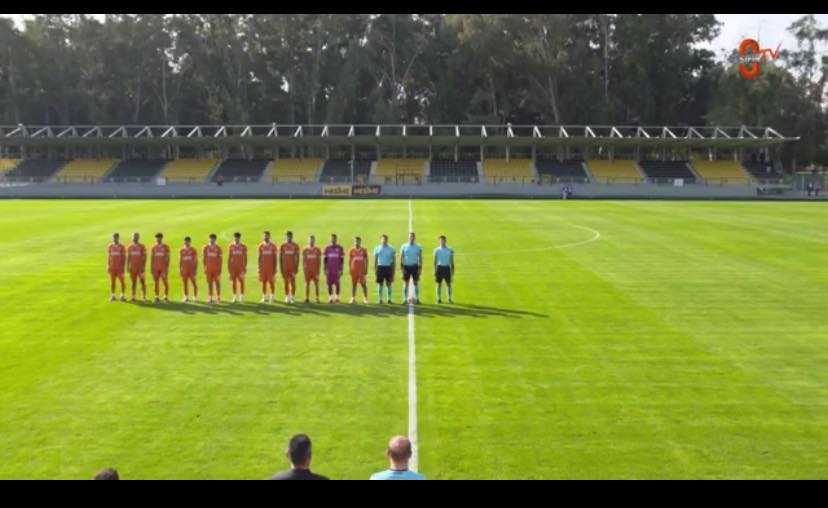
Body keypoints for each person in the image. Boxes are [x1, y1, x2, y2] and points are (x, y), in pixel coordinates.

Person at [400, 232, 423, 304]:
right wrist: (402, 268)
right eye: (410, 237)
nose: (411, 238)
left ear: (414, 238)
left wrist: (420, 268)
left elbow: (420, 258)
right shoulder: (403, 246)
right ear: (408, 238)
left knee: (416, 283)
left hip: (415, 267)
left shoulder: (418, 247)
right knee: (405, 283)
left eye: (412, 237)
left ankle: (417, 298)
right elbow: (401, 257)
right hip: (406, 267)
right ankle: (405, 299)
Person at [279, 231, 300, 303]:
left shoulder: (295, 246)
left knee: (293, 282)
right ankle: (286, 297)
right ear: (285, 237)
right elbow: (280, 257)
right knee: (285, 282)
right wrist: (281, 267)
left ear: (292, 237)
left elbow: (297, 257)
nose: (289, 238)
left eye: (290, 236)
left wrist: (297, 267)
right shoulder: (282, 246)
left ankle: (292, 297)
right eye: (287, 236)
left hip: (292, 267)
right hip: (285, 267)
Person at [374, 234, 396, 304]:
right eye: (383, 239)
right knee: (380, 284)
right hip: (380, 267)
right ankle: (380, 299)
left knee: (388, 284)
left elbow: (393, 261)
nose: (384, 241)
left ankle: (389, 299)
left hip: (388, 267)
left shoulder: (391, 249)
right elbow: (375, 260)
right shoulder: (377, 249)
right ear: (380, 240)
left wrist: (393, 271)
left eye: (385, 239)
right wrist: (375, 270)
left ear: (387, 240)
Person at [323, 234, 345, 303]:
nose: (333, 240)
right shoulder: (327, 248)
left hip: (337, 269)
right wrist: (324, 268)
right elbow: (325, 259)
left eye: (334, 239)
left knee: (337, 283)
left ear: (336, 239)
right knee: (329, 284)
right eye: (332, 239)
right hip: (329, 269)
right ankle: (330, 297)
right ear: (330, 239)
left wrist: (341, 269)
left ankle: (337, 297)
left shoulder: (340, 248)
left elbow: (342, 259)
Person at [433, 235, 455, 304]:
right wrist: (434, 270)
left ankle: (449, 298)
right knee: (438, 284)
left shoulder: (450, 250)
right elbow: (434, 261)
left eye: (443, 240)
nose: (442, 242)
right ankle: (438, 299)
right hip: (439, 268)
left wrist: (452, 271)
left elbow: (451, 261)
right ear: (439, 241)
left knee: (448, 284)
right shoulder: (436, 250)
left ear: (445, 241)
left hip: (447, 268)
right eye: (441, 240)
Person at [126, 232, 147, 302]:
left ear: (138, 237)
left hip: (140, 268)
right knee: (133, 283)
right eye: (134, 236)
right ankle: (133, 296)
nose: (135, 238)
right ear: (132, 237)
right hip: (132, 268)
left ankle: (143, 297)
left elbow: (145, 257)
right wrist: (127, 266)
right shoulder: (129, 247)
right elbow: (128, 257)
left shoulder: (142, 246)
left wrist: (143, 267)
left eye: (136, 236)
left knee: (142, 282)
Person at [228, 232, 248, 303]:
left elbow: (245, 257)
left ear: (239, 238)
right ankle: (234, 297)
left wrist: (245, 267)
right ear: (233, 238)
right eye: (235, 237)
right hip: (233, 267)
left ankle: (241, 297)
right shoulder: (231, 246)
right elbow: (229, 257)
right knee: (233, 282)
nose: (236, 239)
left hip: (241, 267)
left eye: (237, 237)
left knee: (241, 281)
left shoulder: (243, 246)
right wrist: (228, 267)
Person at [150, 232, 170, 303]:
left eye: (159, 238)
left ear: (161, 238)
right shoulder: (153, 247)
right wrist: (151, 268)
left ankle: (165, 297)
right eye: (156, 238)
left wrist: (167, 268)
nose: (157, 239)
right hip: (155, 268)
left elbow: (168, 258)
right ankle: (156, 297)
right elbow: (152, 258)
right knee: (156, 282)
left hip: (163, 268)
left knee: (165, 282)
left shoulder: (166, 247)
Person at [349, 236, 369, 304]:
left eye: (358, 241)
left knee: (363, 285)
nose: (356, 242)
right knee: (353, 285)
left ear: (360, 242)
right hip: (354, 270)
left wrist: (366, 269)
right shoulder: (351, 250)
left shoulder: (364, 250)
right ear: (353, 242)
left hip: (361, 270)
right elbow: (350, 260)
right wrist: (350, 269)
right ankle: (353, 298)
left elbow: (366, 260)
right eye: (355, 241)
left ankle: (365, 298)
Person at [203, 233, 223, 303]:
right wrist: (204, 267)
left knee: (217, 283)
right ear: (208, 239)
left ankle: (218, 297)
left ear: (215, 239)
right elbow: (204, 258)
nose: (211, 240)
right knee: (209, 283)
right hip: (208, 269)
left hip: (216, 269)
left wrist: (220, 268)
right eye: (210, 238)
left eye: (213, 238)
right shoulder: (205, 248)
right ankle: (210, 297)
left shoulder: (218, 248)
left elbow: (220, 259)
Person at [302, 235, 322, 304]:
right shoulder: (305, 250)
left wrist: (318, 270)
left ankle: (317, 298)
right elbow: (303, 261)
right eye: (310, 240)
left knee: (316, 284)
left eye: (312, 240)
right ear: (308, 241)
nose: (311, 241)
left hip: (315, 270)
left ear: (314, 241)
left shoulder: (317, 250)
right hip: (307, 270)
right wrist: (304, 269)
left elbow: (319, 261)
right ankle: (307, 298)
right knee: (307, 284)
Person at [258, 231, 277, 303]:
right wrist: (259, 267)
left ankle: (272, 297)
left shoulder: (273, 246)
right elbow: (259, 257)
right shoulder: (260, 246)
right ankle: (264, 297)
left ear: (269, 236)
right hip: (263, 268)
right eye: (265, 236)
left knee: (271, 282)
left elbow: (275, 258)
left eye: (267, 236)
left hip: (271, 268)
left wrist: (275, 268)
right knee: (263, 282)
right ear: (263, 236)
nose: (266, 237)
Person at [107, 233, 126, 302]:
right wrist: (108, 265)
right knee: (112, 282)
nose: (114, 239)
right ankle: (113, 295)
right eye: (113, 237)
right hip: (112, 267)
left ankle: (122, 295)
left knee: (122, 282)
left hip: (119, 267)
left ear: (118, 238)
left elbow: (124, 257)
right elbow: (109, 257)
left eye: (116, 237)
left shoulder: (122, 246)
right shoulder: (110, 246)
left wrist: (123, 267)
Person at [179, 236, 198, 302]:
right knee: (185, 283)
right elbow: (180, 260)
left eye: (187, 241)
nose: (186, 242)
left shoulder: (193, 250)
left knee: (193, 283)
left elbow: (196, 260)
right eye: (185, 241)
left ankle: (195, 296)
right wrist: (179, 269)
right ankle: (186, 296)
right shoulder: (181, 250)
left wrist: (195, 269)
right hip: (184, 269)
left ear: (190, 242)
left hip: (191, 270)